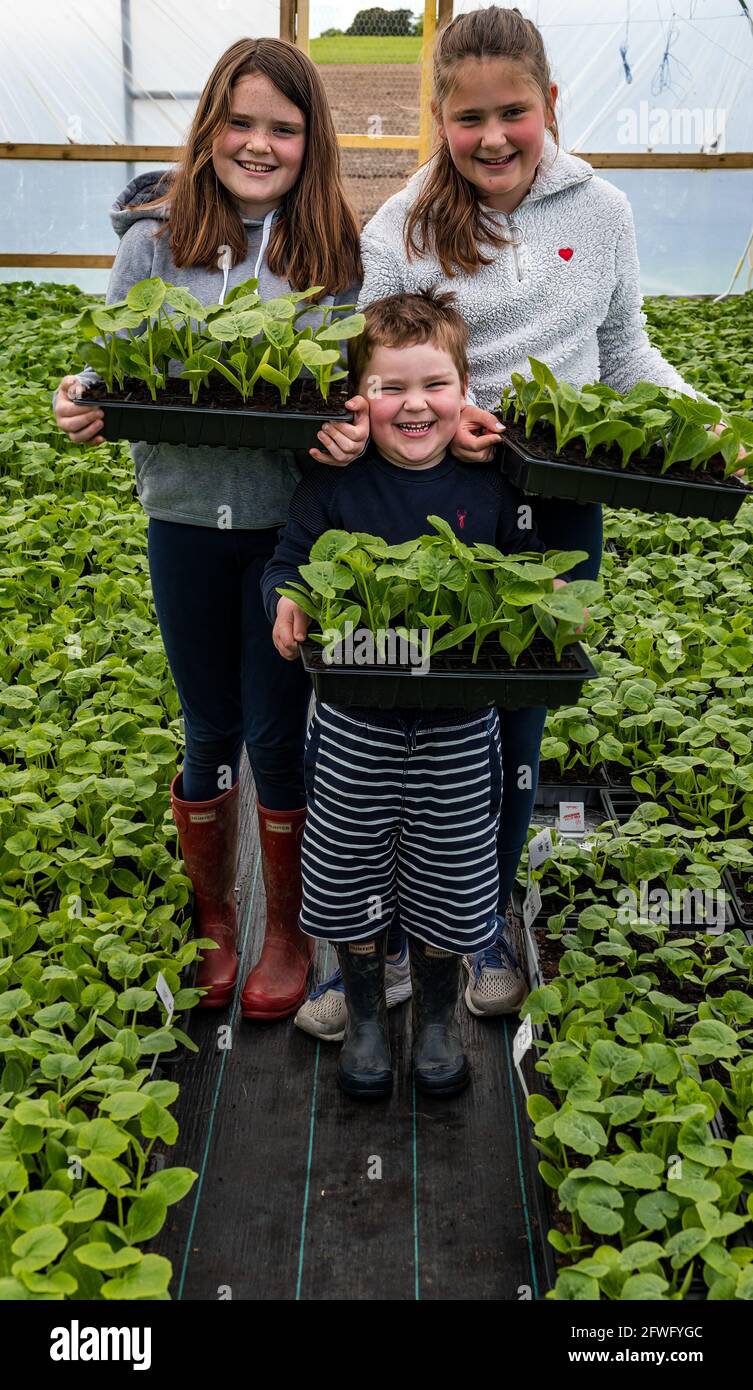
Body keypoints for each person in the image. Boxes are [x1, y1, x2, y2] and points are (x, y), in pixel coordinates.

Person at [346, 3, 733, 1018]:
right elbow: (374, 375)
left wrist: (708, 426)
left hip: (561, 503)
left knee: (519, 718)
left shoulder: (602, 211)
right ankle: (393, 925)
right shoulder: (402, 230)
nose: (491, 138)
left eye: (512, 112)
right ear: (438, 119)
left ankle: (479, 924)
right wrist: (441, 417)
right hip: (438, 516)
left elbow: (624, 353)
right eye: (466, 118)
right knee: (425, 716)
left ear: (550, 104)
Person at [52, 37, 370, 1020]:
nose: (259, 143)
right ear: (209, 127)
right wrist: (83, 398)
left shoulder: (329, 254)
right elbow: (109, 361)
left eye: (282, 127)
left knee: (280, 724)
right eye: (241, 122)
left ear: (310, 140)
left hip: (285, 529)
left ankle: (287, 925)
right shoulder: (154, 239)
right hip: (184, 513)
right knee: (207, 719)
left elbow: (348, 388)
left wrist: (351, 426)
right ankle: (215, 921)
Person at [262, 287, 586, 1099]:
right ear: (357, 398)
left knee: (452, 864)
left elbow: (531, 576)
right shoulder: (331, 486)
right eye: (390, 388)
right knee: (345, 862)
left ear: (465, 391)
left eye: (434, 385)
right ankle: (368, 1013)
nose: (414, 405)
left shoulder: (495, 489)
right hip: (350, 723)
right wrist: (289, 600)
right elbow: (286, 562)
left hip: (457, 724)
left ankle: (437, 1018)